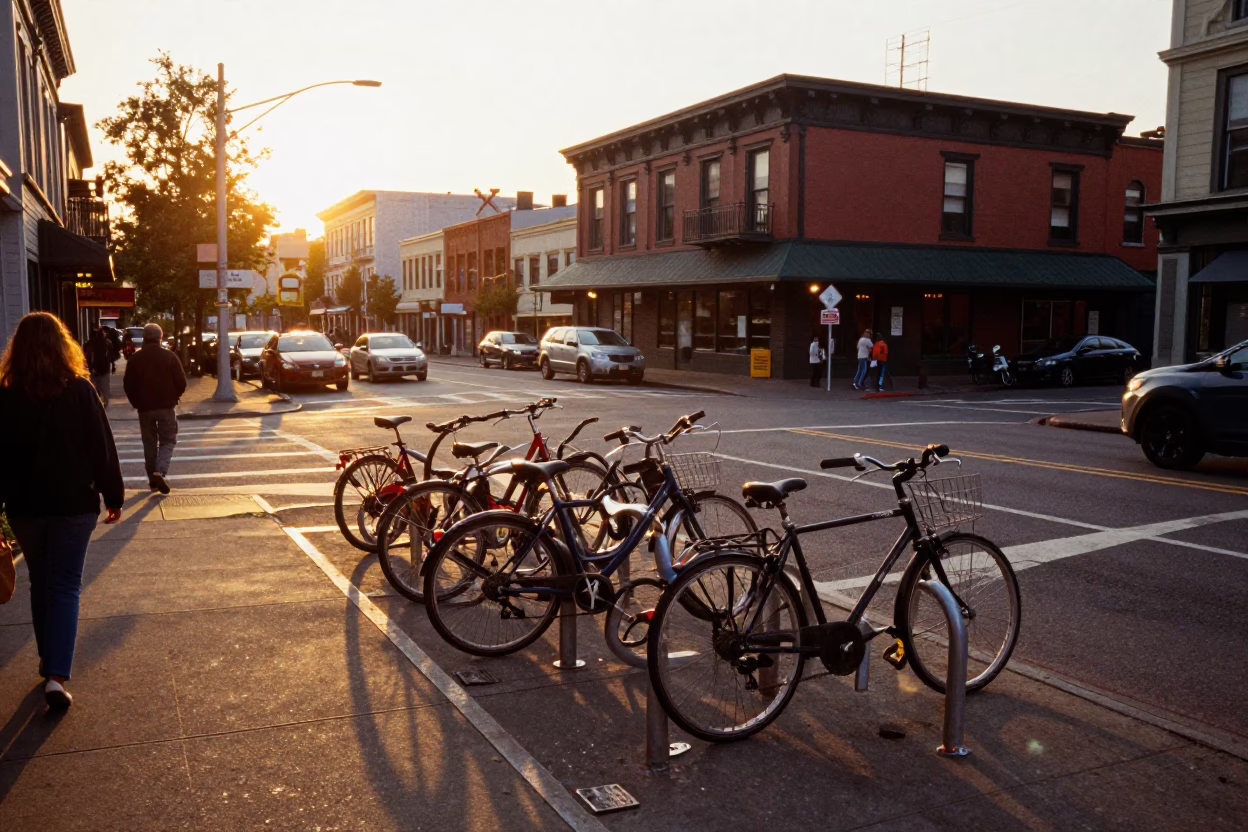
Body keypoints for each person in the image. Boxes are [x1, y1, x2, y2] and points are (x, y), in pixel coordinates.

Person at [0, 312, 124, 709]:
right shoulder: (80, 390)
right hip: (74, 503)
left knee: (40, 582)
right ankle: (56, 674)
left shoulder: (6, 394)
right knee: (66, 586)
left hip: (25, 505)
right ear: (62, 345)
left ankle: (46, 659)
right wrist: (113, 495)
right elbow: (101, 447)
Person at [122, 323, 186, 495]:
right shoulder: (170, 357)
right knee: (168, 440)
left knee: (149, 443)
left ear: (144, 338)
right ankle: (160, 471)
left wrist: (136, 402)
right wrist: (173, 397)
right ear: (161, 337)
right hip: (166, 406)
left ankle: (153, 479)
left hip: (144, 408)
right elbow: (181, 382)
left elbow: (128, 384)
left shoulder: (135, 358)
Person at [84, 327, 112, 406]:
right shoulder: (108, 343)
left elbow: (86, 357)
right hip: (105, 370)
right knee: (105, 390)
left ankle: (95, 404)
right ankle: (105, 405)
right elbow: (111, 357)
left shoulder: (88, 344)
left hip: (93, 370)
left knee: (94, 389)